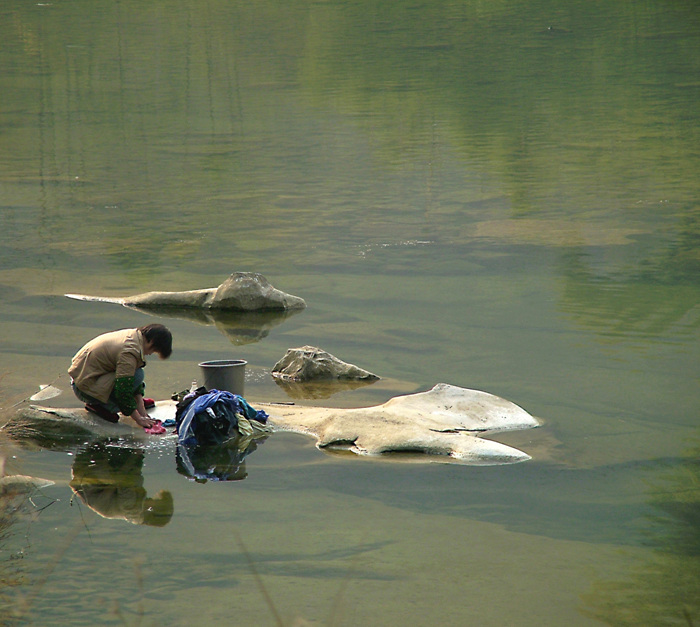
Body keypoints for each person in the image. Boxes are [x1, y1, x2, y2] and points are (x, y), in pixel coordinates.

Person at [69, 324, 172, 428]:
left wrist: (142, 411)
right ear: (151, 342)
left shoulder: (134, 336)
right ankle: (103, 406)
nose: (150, 354)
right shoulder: (130, 351)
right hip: (85, 389)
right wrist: (139, 419)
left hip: (87, 378)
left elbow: (132, 379)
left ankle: (121, 404)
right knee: (137, 375)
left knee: (136, 373)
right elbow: (123, 390)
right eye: (153, 350)